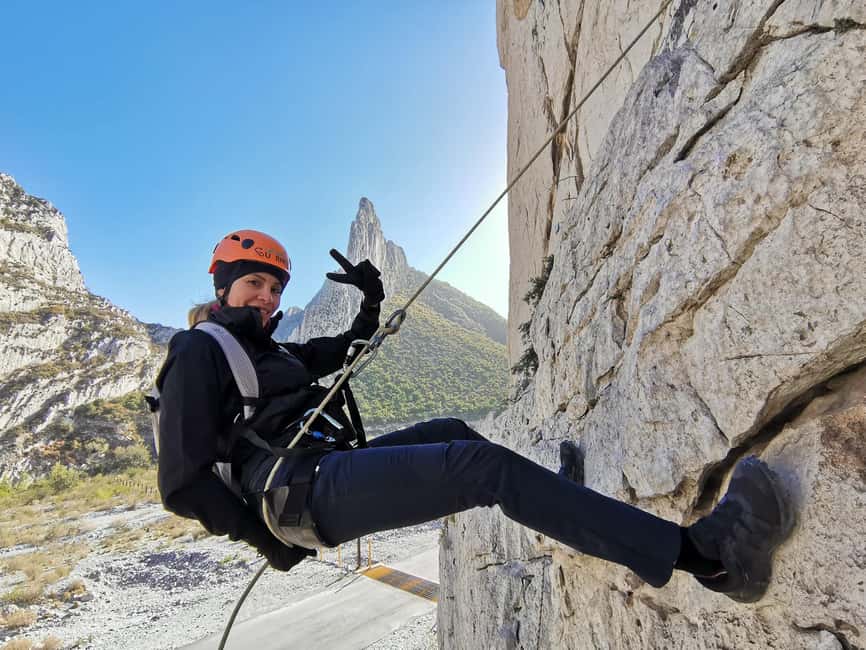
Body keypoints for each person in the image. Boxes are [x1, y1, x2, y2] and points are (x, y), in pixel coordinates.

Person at [155, 229, 793, 604]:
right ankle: (710, 559)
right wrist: (266, 543)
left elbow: (346, 347)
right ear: (223, 287)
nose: (266, 297)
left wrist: (373, 298)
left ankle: (562, 503)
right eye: (253, 285)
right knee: (479, 467)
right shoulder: (197, 350)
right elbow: (181, 482)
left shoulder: (273, 351)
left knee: (456, 434)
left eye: (273, 288)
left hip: (323, 470)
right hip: (295, 496)